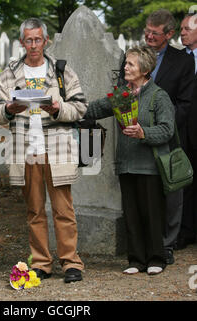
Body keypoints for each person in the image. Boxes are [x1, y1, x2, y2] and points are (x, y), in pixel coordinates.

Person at [0, 18, 86, 283]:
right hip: (25, 149)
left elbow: (80, 106)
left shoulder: (61, 70)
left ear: (46, 41)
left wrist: (58, 109)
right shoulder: (10, 73)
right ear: (22, 42)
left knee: (63, 210)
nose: (33, 45)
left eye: (38, 39)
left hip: (56, 148)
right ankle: (42, 263)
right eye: (28, 40)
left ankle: (71, 263)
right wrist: (9, 109)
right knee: (34, 211)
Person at [85, 45, 175, 275]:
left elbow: (167, 130)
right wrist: (70, 109)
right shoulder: (121, 94)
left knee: (151, 214)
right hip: (126, 164)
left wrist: (143, 133)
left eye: (130, 64)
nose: (125, 67)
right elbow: (97, 108)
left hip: (150, 166)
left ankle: (156, 258)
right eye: (126, 63)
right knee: (132, 214)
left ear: (144, 69)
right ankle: (136, 260)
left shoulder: (159, 96)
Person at [119, 9, 195, 265]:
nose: (149, 36)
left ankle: (168, 243)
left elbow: (185, 102)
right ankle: (145, 247)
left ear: (169, 34)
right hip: (135, 137)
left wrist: (165, 127)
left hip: (169, 136)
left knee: (171, 192)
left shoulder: (183, 61)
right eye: (147, 31)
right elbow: (122, 89)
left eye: (155, 33)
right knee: (143, 196)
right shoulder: (133, 56)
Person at [178, 13, 197, 249]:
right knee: (185, 184)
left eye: (186, 29)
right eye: (181, 29)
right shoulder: (179, 60)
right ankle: (186, 230)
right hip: (183, 131)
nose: (181, 32)